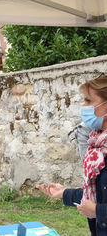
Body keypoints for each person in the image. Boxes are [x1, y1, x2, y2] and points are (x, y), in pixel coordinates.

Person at [38, 75, 107, 236]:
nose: (84, 106)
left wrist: (98, 211)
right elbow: (97, 193)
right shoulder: (96, 145)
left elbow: (96, 205)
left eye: (89, 101)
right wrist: (63, 192)